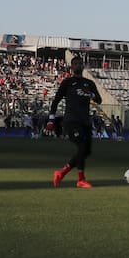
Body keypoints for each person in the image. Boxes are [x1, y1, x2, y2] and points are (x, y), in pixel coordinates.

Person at [48, 56, 102, 189]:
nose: (78, 65)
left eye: (80, 63)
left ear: (83, 66)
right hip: (71, 121)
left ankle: (61, 173)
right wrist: (51, 119)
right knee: (82, 146)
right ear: (71, 67)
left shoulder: (89, 84)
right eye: (75, 63)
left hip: (85, 122)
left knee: (86, 151)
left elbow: (99, 100)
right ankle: (81, 180)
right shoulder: (67, 82)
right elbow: (56, 101)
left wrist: (90, 94)